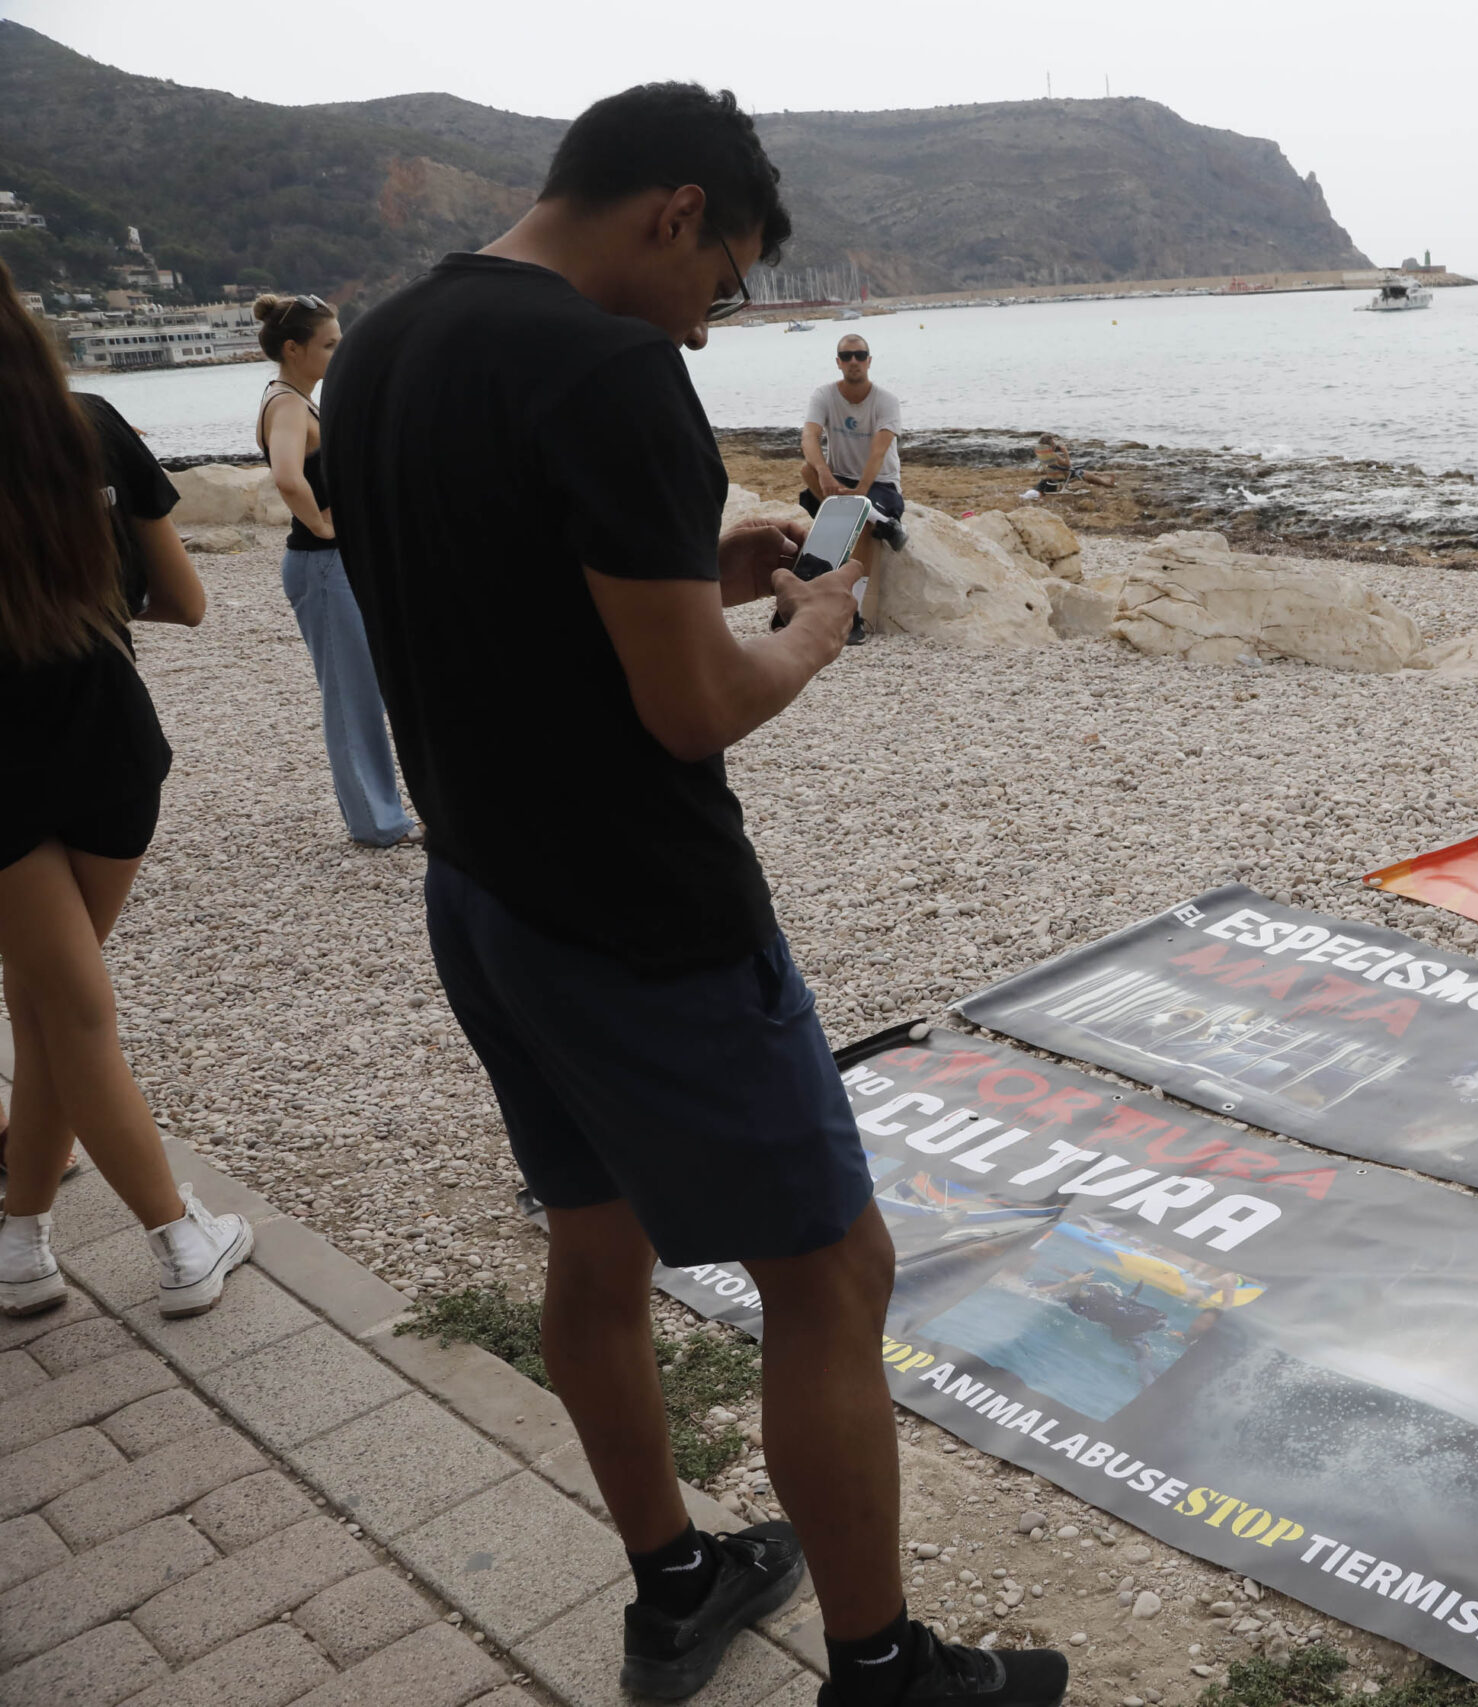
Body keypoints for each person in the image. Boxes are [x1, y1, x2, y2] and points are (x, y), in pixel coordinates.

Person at [322, 83, 1066, 1707]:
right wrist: (810, 628)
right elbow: (692, 708)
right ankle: (880, 1669)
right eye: (724, 281)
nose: (718, 324)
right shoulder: (608, 368)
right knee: (833, 1272)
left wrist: (691, 556)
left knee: (597, 1252)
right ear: (675, 210)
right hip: (643, 917)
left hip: (486, 894)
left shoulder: (383, 348)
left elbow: (492, 579)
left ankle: (676, 1578)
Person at [0, 259, 253, 1322]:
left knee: (67, 1010)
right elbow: (186, 601)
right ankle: (39, 1238)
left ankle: (169, 1242)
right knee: (58, 1004)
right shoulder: (93, 425)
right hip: (109, 750)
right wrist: (79, 612)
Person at [252, 293, 415, 847]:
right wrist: (323, 529)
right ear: (294, 349)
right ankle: (377, 822)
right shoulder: (290, 404)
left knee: (364, 686)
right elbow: (287, 476)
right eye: (329, 344)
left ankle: (384, 813)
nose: (340, 351)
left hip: (334, 566)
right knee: (351, 695)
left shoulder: (298, 396)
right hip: (322, 568)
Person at [799, 331, 904, 586]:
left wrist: (861, 493)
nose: (853, 361)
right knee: (807, 470)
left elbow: (879, 450)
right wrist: (824, 472)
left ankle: (855, 610)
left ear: (869, 361)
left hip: (880, 483)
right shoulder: (824, 395)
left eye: (860, 356)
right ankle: (884, 524)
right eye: (847, 356)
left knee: (861, 525)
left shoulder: (886, 400)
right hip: (839, 480)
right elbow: (809, 437)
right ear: (838, 362)